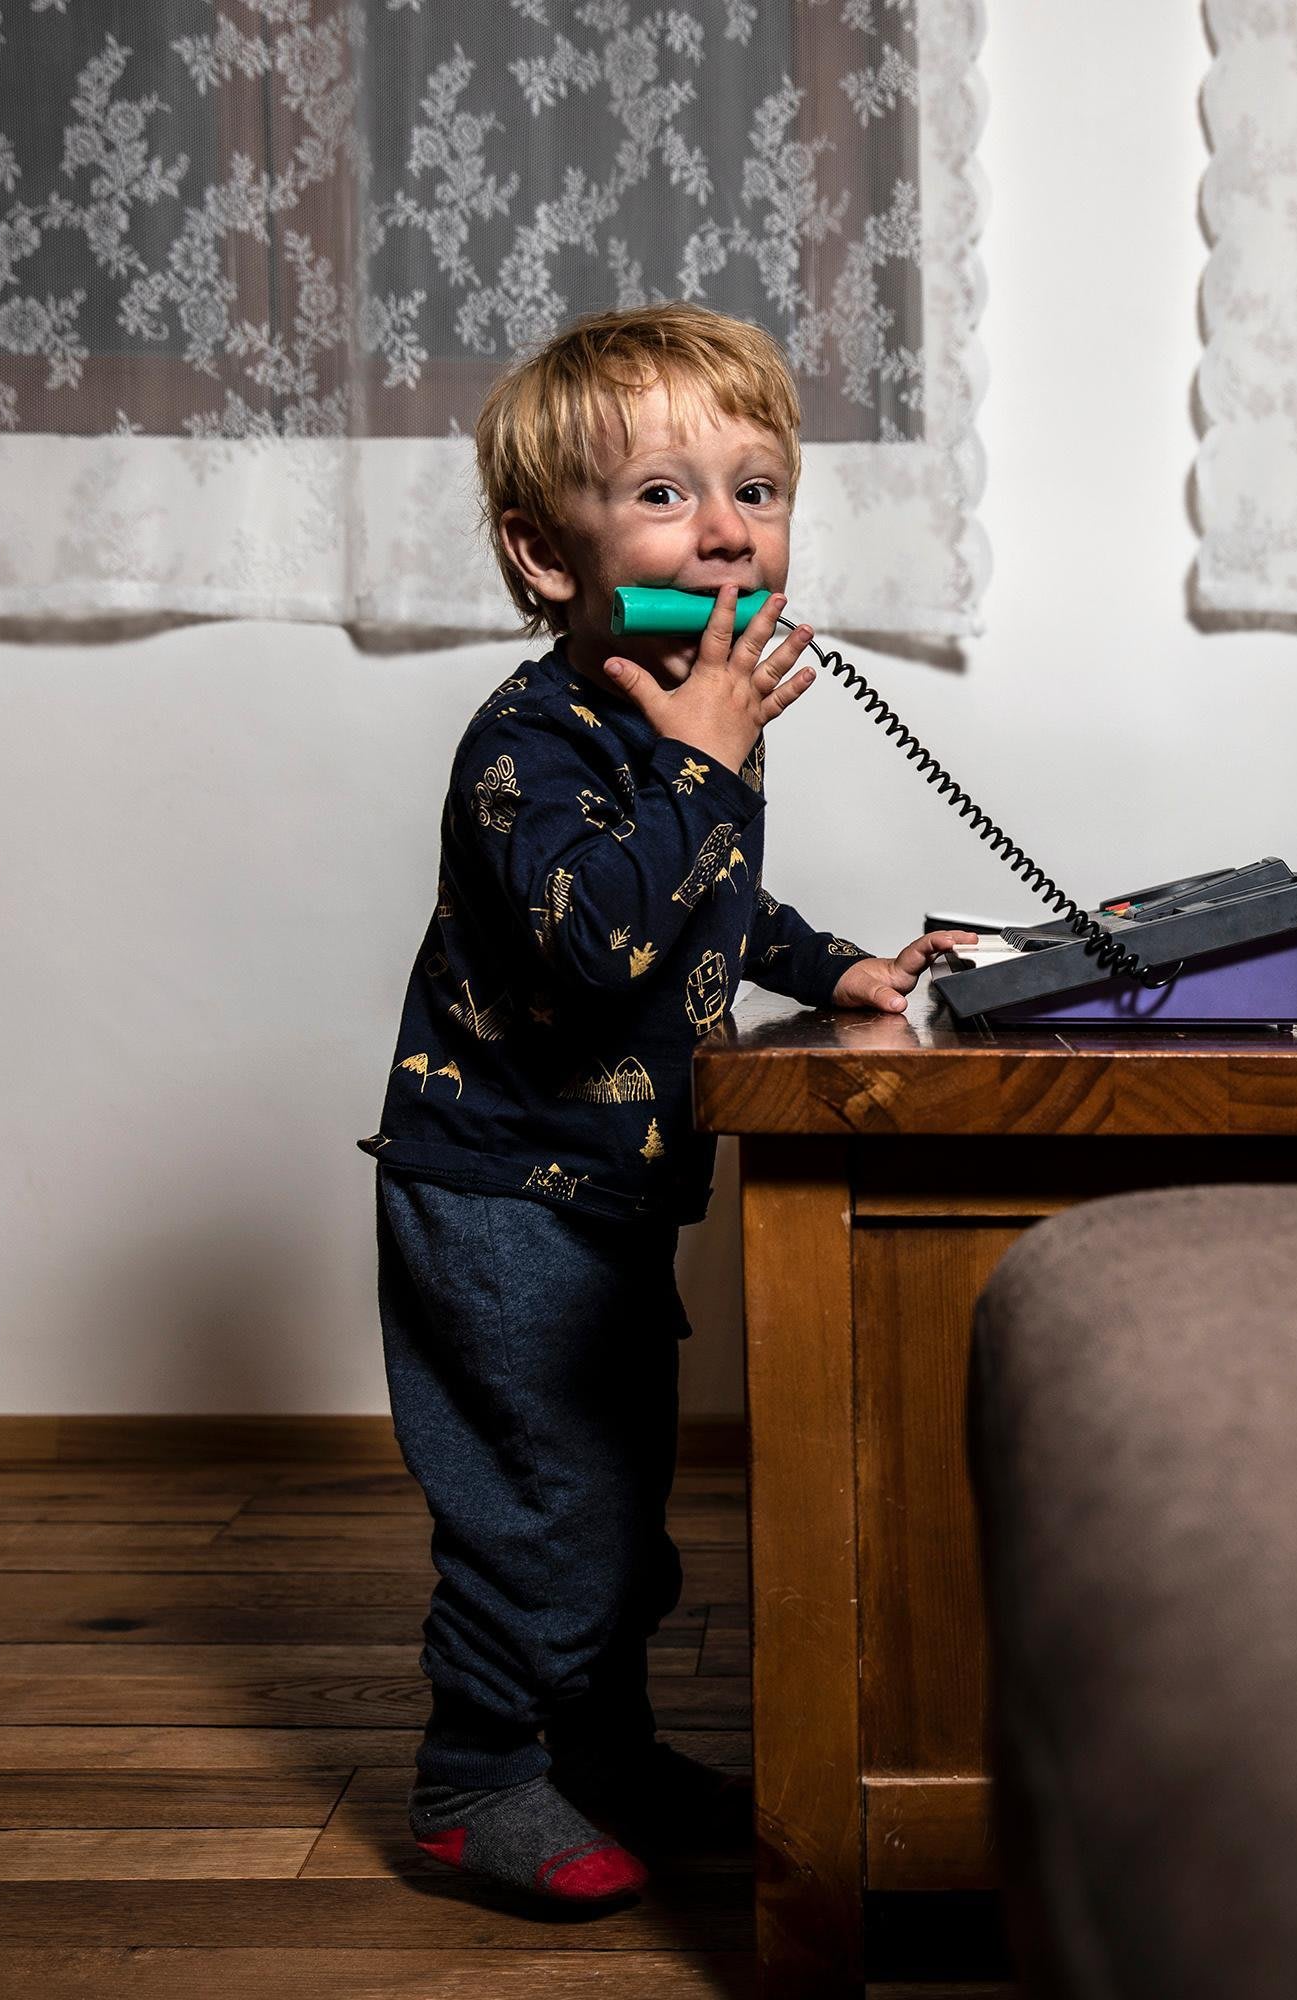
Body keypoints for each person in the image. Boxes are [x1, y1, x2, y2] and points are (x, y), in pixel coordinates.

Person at [363, 302, 976, 1907]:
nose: (723, 530)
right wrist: (706, 762)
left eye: (756, 491)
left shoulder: (685, 717)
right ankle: (474, 1776)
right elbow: (599, 940)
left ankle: (602, 1751)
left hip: (614, 1188)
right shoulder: (529, 743)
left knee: (620, 1503)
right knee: (542, 1505)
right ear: (543, 554)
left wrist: (836, 966)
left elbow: (708, 900)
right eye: (661, 493)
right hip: (500, 1189)